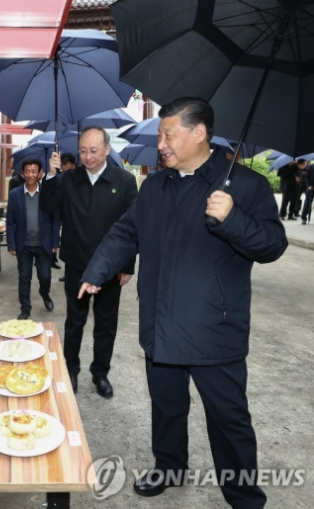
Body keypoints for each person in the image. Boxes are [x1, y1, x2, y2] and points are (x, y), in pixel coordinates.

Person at [78, 97, 287, 508]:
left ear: (198, 133)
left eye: (168, 134)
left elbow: (273, 247)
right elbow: (125, 233)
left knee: (229, 420)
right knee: (167, 406)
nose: (161, 144)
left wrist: (234, 220)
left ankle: (244, 497)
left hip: (214, 329)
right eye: (160, 135)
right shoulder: (155, 186)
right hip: (161, 322)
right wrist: (96, 270)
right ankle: (169, 466)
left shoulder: (244, 187)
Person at [40, 125, 138, 396]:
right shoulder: (69, 180)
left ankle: (100, 373)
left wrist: (128, 265)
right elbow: (47, 206)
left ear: (107, 149)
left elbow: (133, 228)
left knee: (106, 325)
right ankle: (71, 370)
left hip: (111, 267)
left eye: (94, 150)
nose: (88, 156)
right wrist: (51, 174)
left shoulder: (124, 181)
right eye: (83, 150)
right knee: (74, 322)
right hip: (78, 264)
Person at [6, 159, 60, 320]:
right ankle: (25, 308)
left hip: (44, 243)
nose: (30, 174)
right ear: (23, 173)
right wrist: (11, 243)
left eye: (33, 171)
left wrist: (55, 241)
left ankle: (45, 294)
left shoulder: (47, 192)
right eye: (27, 171)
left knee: (45, 276)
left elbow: (55, 220)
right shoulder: (15, 195)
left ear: (39, 173)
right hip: (23, 244)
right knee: (24, 278)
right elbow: (10, 221)